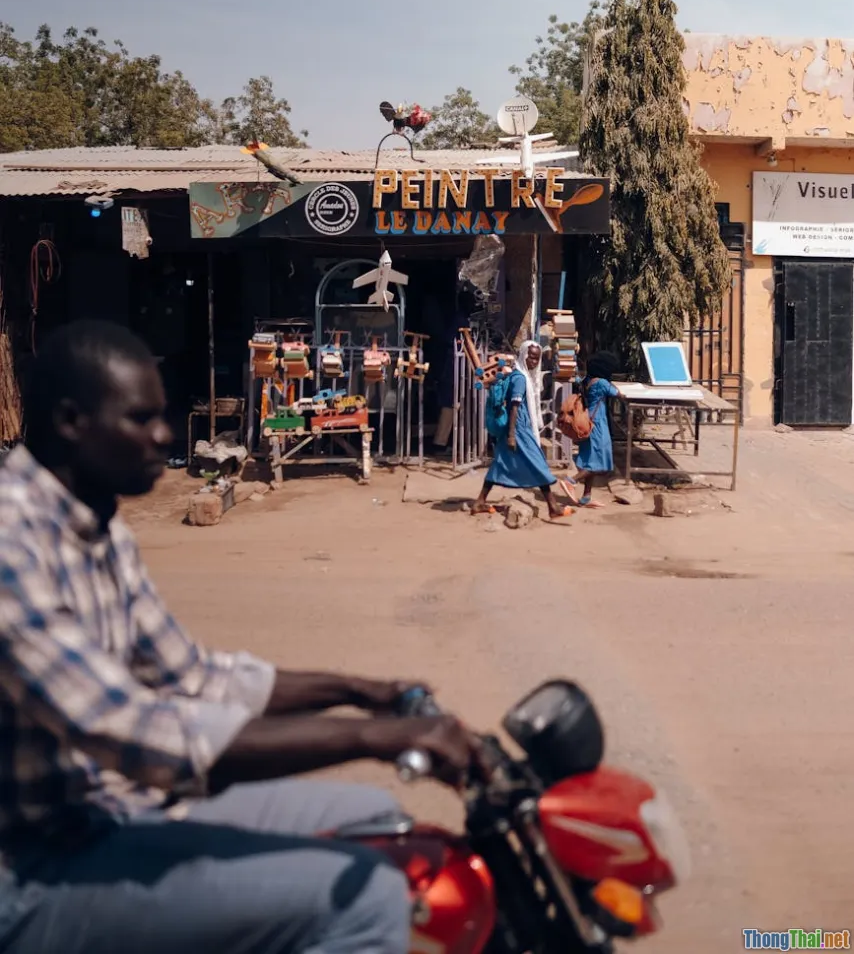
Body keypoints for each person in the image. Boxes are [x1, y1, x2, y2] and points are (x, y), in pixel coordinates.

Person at [0, 320, 478, 954]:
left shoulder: (99, 526)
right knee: (371, 896)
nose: (165, 436)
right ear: (70, 421)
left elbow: (197, 679)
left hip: (125, 811)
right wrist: (377, 737)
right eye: (141, 419)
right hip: (37, 868)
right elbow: (145, 734)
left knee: (378, 823)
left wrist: (368, 693)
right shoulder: (12, 541)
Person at [471, 339, 572, 521]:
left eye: (536, 359)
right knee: (538, 462)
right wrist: (511, 435)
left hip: (517, 426)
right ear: (524, 355)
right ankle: (553, 506)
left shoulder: (520, 375)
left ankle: (480, 501)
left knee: (500, 463)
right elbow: (514, 407)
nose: (533, 362)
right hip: (517, 427)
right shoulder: (519, 378)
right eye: (531, 357)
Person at [573, 351, 621, 508]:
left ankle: (586, 496)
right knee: (598, 462)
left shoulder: (586, 380)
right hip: (598, 425)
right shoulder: (601, 383)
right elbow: (617, 394)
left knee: (590, 460)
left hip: (588, 423)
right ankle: (570, 481)